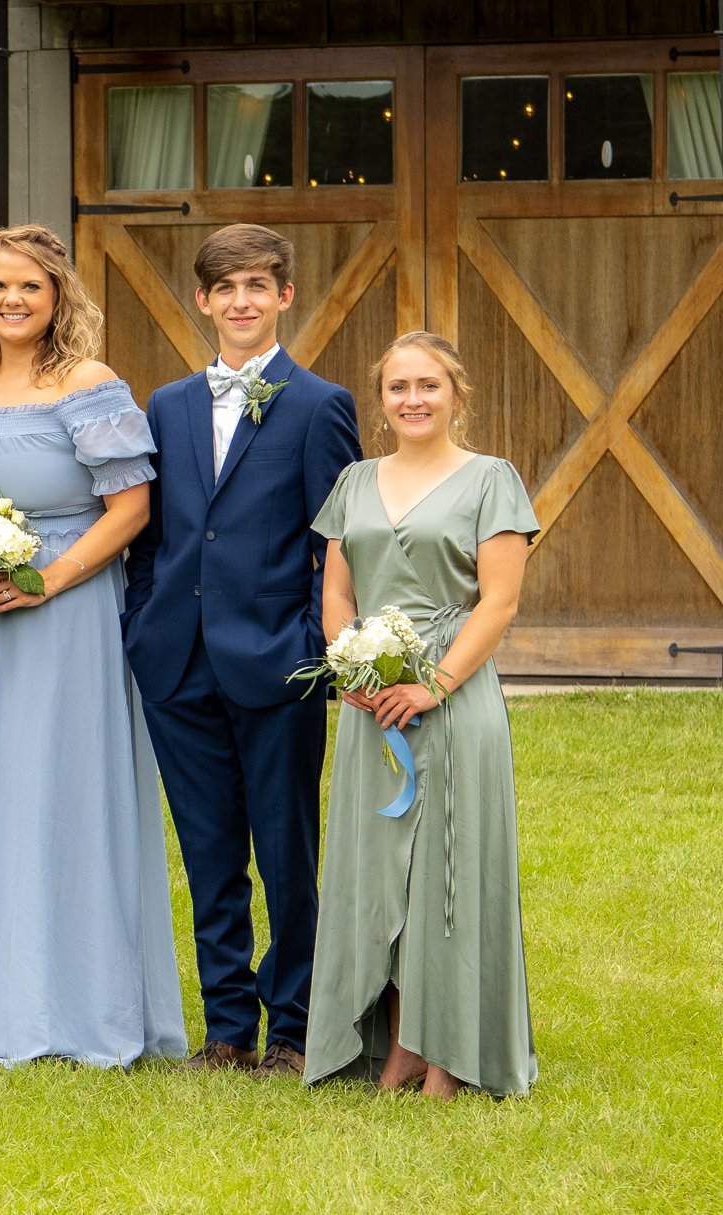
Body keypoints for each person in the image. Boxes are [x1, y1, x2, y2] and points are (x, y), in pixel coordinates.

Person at [0, 224, 185, 1067]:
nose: (12, 301)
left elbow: (131, 512)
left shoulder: (88, 384)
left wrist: (46, 582)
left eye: (29, 287)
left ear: (58, 296)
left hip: (66, 613)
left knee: (55, 792)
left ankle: (74, 1008)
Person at [122, 223, 363, 1078]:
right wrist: (144, 624)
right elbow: (150, 535)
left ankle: (294, 1025)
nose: (241, 302)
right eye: (225, 289)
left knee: (287, 853)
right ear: (203, 299)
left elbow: (339, 540)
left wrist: (310, 644)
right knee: (210, 853)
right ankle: (226, 1029)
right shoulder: (169, 404)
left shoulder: (319, 404)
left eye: (257, 287)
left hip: (278, 663)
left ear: (284, 296)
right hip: (177, 662)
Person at [305, 332, 538, 1099]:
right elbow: (338, 591)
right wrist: (358, 668)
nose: (413, 399)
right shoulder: (354, 479)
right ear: (382, 400)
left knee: (447, 871)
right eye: (398, 386)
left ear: (457, 395)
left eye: (428, 385)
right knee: (379, 872)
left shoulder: (491, 480)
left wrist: (432, 684)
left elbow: (498, 600)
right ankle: (398, 1044)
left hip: (454, 697)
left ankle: (450, 1055)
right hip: (373, 702)